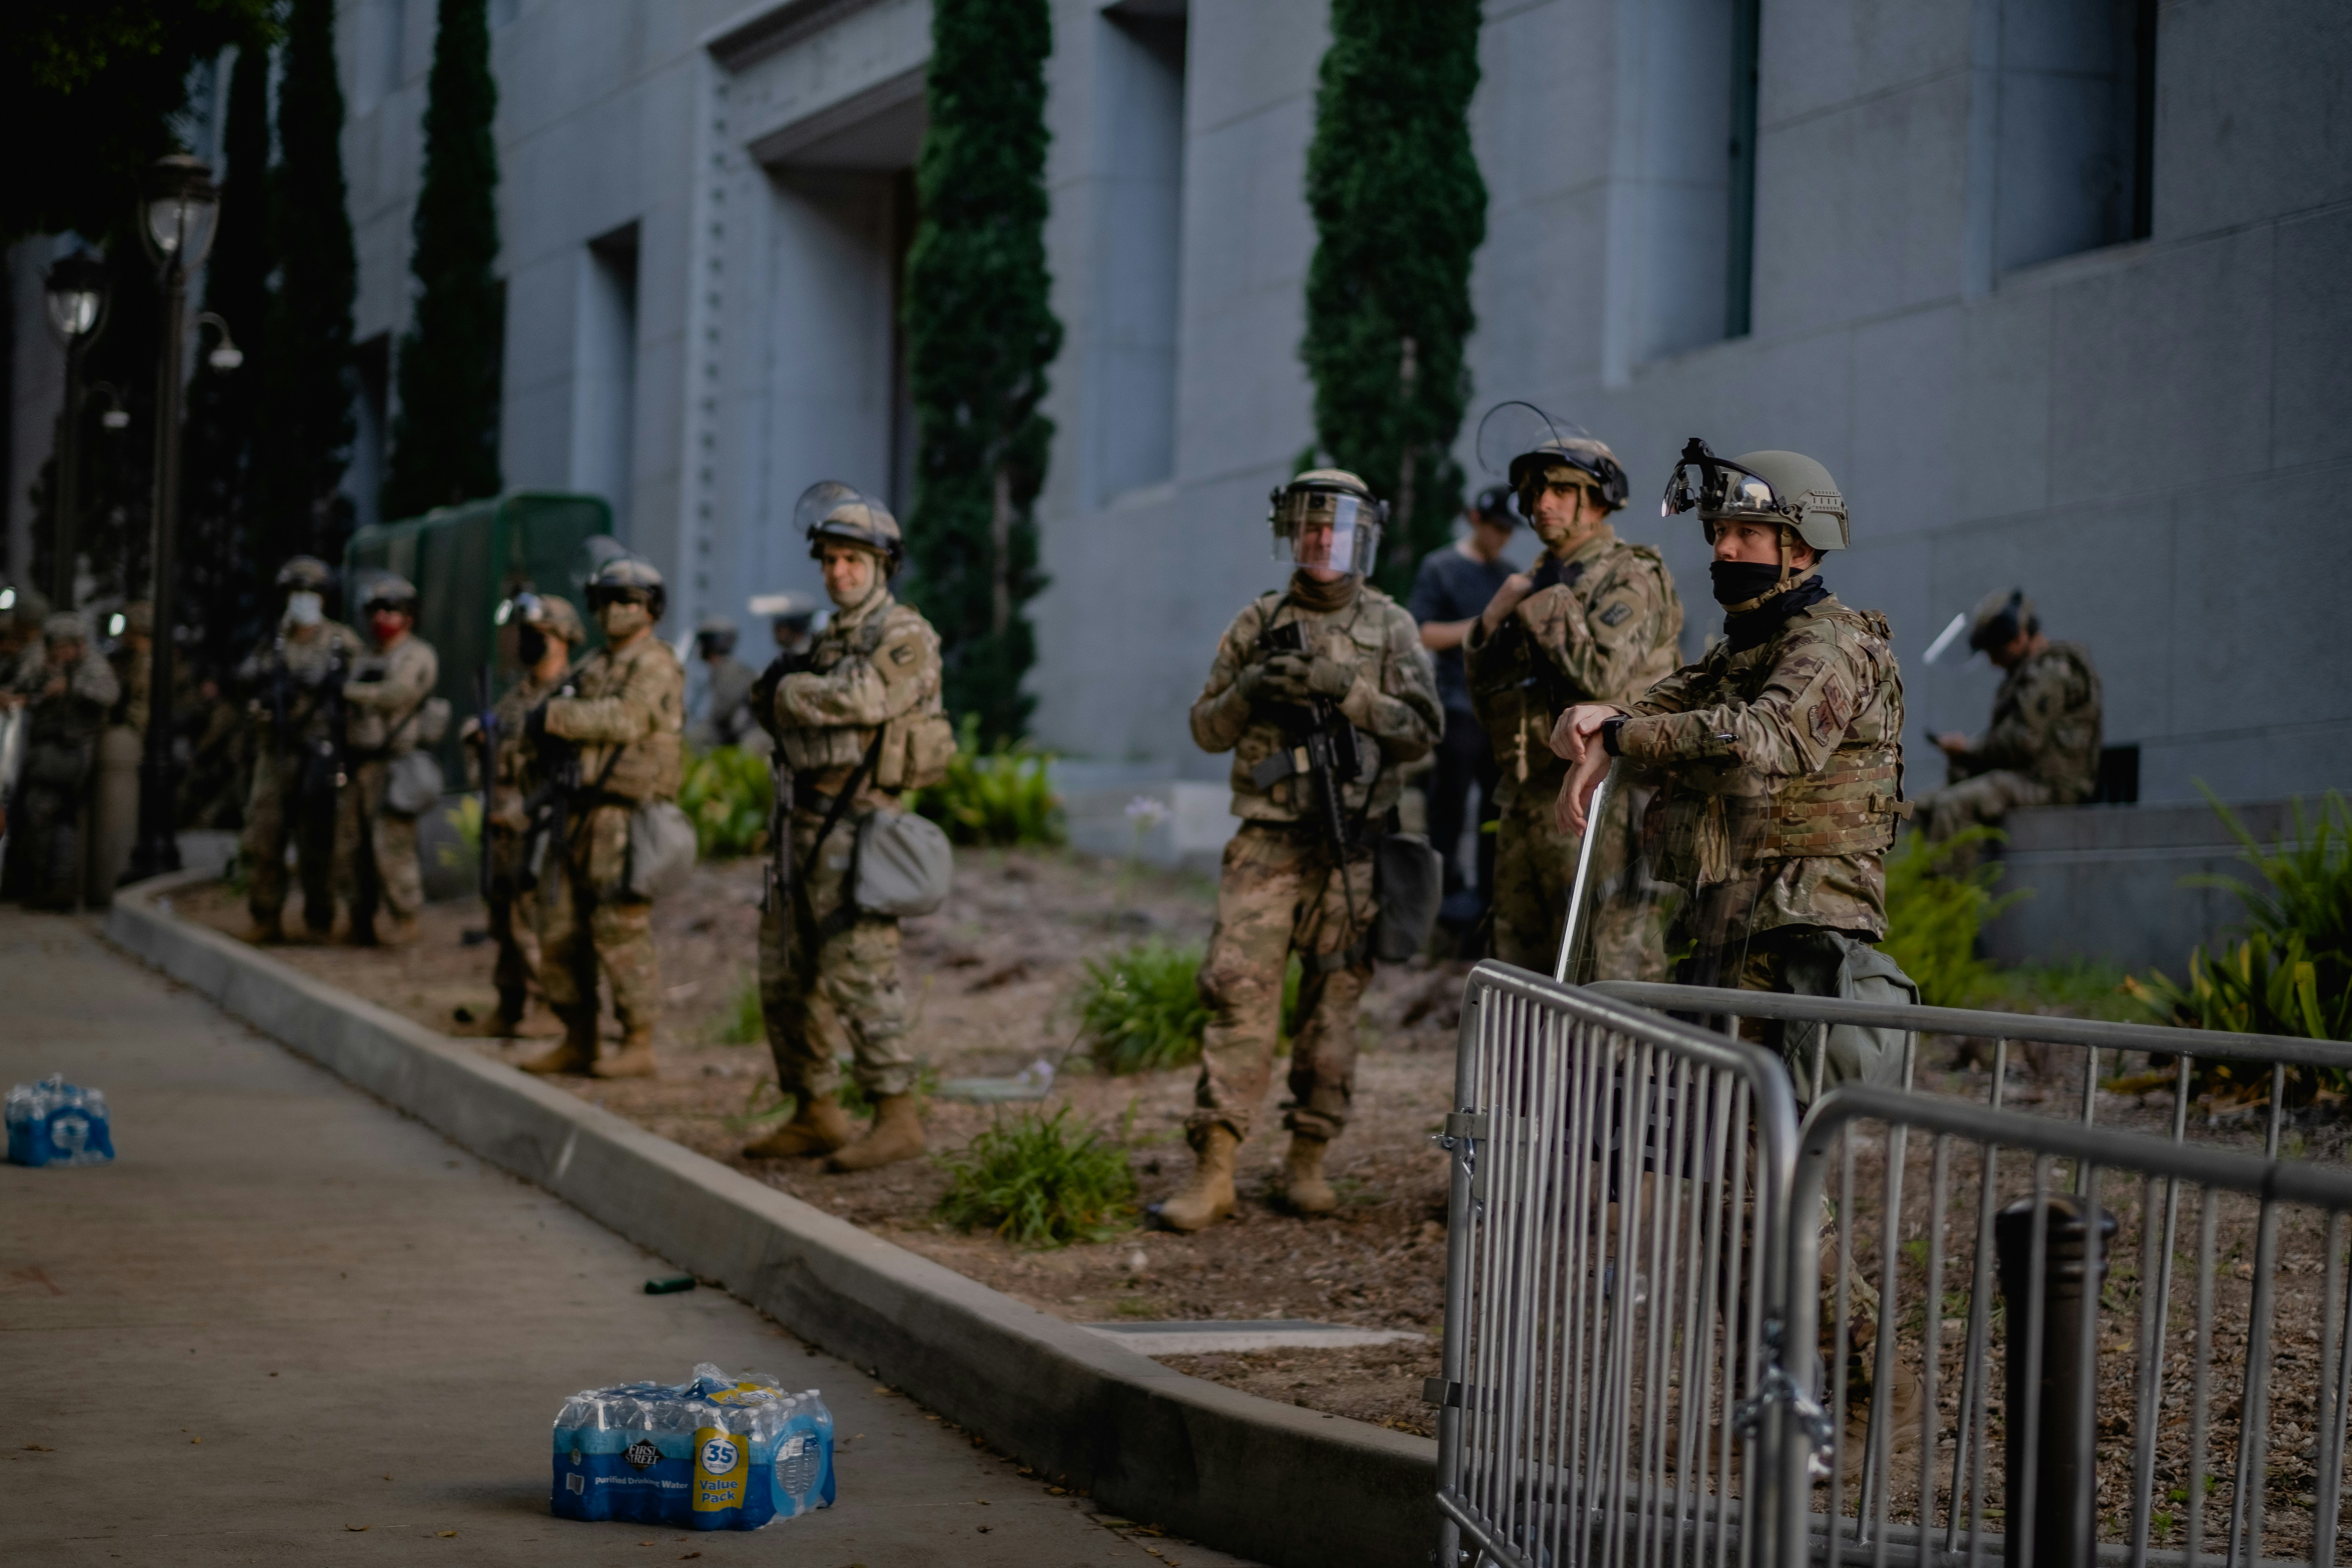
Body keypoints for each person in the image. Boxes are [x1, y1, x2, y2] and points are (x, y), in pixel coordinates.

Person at [1552, 441, 1912, 1064]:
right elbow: (1656, 708)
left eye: (1748, 532)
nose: (1724, 548)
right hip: (1730, 920)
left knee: (1750, 1137)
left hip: (1794, 926)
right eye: (1719, 531)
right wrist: (1600, 724)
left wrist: (1618, 737)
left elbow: (1763, 737)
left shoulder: (1829, 648)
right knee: (1703, 1132)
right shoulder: (1743, 650)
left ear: (1799, 549)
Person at [1160, 469, 1442, 1232]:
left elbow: (1422, 731)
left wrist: (1346, 689)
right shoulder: (1257, 621)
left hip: (1352, 847)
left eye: (1337, 528)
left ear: (1362, 538)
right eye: (1311, 527)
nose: (1323, 539)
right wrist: (1252, 685)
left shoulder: (1391, 627)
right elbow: (1206, 728)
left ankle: (1308, 1156)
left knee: (1333, 1009)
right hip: (1266, 843)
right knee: (1237, 993)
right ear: (1291, 532)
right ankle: (1215, 1166)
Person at [742, 484, 956, 1171]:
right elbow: (783, 710)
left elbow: (865, 697)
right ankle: (815, 1109)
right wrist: (783, 693)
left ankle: (896, 1115)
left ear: (883, 565)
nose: (838, 573)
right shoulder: (831, 637)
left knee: (859, 973)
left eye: (853, 561)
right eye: (830, 561)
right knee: (784, 974)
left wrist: (788, 691)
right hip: (800, 822)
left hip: (858, 824)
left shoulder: (904, 634)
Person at [1465, 432, 1681, 974]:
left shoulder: (1629, 575)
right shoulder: (1533, 580)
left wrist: (1545, 601)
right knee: (1519, 966)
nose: (1543, 503)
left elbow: (1603, 676)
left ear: (1601, 498)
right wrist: (1491, 622)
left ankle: (1612, 1066)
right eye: (1535, 491)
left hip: (1601, 801)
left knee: (1604, 964)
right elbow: (1488, 697)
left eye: (1563, 490)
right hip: (1525, 798)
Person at [519, 556, 686, 1081]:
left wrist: (555, 717)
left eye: (628, 601)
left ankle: (639, 1041)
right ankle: (578, 1036)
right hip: (574, 809)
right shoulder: (594, 665)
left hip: (623, 815)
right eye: (608, 600)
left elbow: (629, 718)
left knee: (620, 928)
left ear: (651, 609)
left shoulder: (655, 662)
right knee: (560, 927)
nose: (615, 611)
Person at [453, 592, 585, 1040]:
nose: (528, 642)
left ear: (564, 638)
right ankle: (510, 1004)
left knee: (537, 920)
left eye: (539, 634)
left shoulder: (571, 693)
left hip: (540, 823)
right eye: (525, 633)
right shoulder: (517, 696)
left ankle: (550, 1005)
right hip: (502, 825)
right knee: (503, 920)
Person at [1913, 588, 2102, 863]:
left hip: (2051, 785)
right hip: (2024, 776)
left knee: (1954, 806)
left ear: (2020, 637)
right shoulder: (2031, 672)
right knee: (1915, 808)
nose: (1993, 661)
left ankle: (1945, 900)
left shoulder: (2050, 672)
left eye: (1996, 651)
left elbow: (2023, 742)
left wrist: (1969, 749)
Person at [1407, 484, 1518, 934]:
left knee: (1495, 810)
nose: (1502, 537)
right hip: (1456, 705)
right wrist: (1481, 625)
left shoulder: (1509, 574)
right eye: (1495, 527)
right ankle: (1442, 896)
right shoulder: (1442, 567)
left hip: (1501, 710)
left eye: (1509, 530)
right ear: (1475, 519)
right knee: (1447, 808)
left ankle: (1486, 900)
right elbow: (1421, 631)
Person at [235, 558, 365, 942]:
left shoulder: (341, 641)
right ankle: (266, 915)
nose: (303, 601)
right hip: (276, 751)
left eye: (310, 593)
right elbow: (247, 680)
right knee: (264, 836)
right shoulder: (273, 641)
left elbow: (358, 690)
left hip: (320, 753)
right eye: (296, 593)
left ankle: (320, 918)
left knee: (318, 840)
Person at [335, 573, 441, 945]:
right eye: (376, 610)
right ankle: (358, 919)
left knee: (393, 847)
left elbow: (397, 693)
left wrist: (350, 691)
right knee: (351, 847)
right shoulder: (365, 657)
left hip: (395, 764)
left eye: (391, 610)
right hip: (358, 763)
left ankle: (405, 920)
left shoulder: (417, 654)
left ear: (409, 615)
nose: (381, 617)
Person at [2, 612, 120, 908]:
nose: (63, 652)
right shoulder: (41, 663)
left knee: (51, 814)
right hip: (42, 752)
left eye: (69, 646)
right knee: (40, 816)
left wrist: (72, 688)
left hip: (71, 751)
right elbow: (24, 690)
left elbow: (109, 695)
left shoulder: (91, 665)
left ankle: (58, 886)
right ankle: (43, 884)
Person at [686, 614, 760, 749]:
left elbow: (723, 713)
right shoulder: (722, 669)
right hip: (732, 731)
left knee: (696, 739)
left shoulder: (731, 671)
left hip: (744, 733)